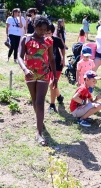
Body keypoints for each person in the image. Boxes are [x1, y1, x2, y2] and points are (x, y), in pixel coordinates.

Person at [17, 15, 57, 146]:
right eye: (40, 29)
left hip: (44, 74)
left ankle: (39, 133)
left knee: (40, 102)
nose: (42, 32)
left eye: (45, 30)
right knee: (34, 100)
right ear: (34, 26)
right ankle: (40, 120)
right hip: (30, 74)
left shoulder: (48, 41)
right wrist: (25, 70)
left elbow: (51, 59)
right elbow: (19, 57)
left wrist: (55, 77)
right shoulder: (26, 39)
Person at [46, 23, 65, 113]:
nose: (47, 35)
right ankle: (59, 97)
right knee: (53, 84)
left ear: (52, 32)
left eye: (49, 33)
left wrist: (63, 59)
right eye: (45, 33)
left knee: (52, 83)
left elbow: (63, 48)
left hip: (57, 65)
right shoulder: (42, 40)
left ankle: (52, 105)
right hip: (46, 66)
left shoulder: (56, 40)